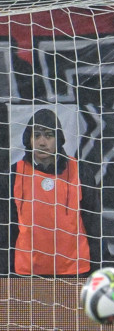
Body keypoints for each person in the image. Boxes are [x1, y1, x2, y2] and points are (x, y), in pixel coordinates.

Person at [6, 108, 99, 277]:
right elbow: (7, 229)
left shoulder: (80, 171)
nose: (42, 142)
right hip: (27, 273)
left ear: (59, 139)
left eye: (48, 135)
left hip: (75, 271)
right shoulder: (14, 174)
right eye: (37, 135)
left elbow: (94, 223)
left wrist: (99, 269)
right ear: (29, 139)